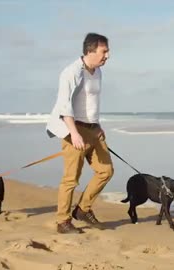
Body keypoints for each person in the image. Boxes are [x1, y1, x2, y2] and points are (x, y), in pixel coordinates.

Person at [46, 33, 114, 234]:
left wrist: (97, 125)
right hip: (73, 129)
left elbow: (91, 102)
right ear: (90, 51)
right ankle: (63, 221)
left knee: (106, 171)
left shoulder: (98, 71)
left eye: (107, 51)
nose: (107, 56)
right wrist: (74, 134)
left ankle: (83, 210)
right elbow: (64, 106)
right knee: (71, 179)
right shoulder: (72, 72)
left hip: (93, 129)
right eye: (104, 51)